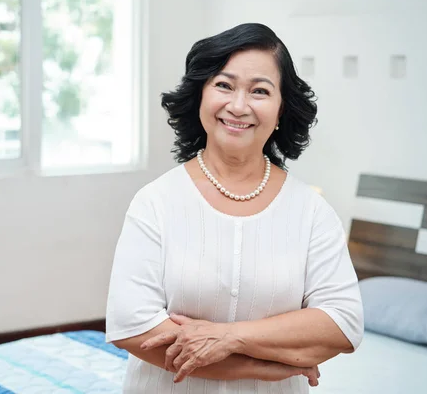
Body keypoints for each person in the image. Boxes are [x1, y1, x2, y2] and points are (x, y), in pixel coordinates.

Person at [105, 23, 364, 394]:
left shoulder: (312, 211)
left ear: (281, 110)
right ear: (200, 96)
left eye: (260, 91)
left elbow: (343, 324)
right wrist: (265, 367)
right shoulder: (155, 202)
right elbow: (134, 328)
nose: (238, 106)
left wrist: (231, 337)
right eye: (224, 85)